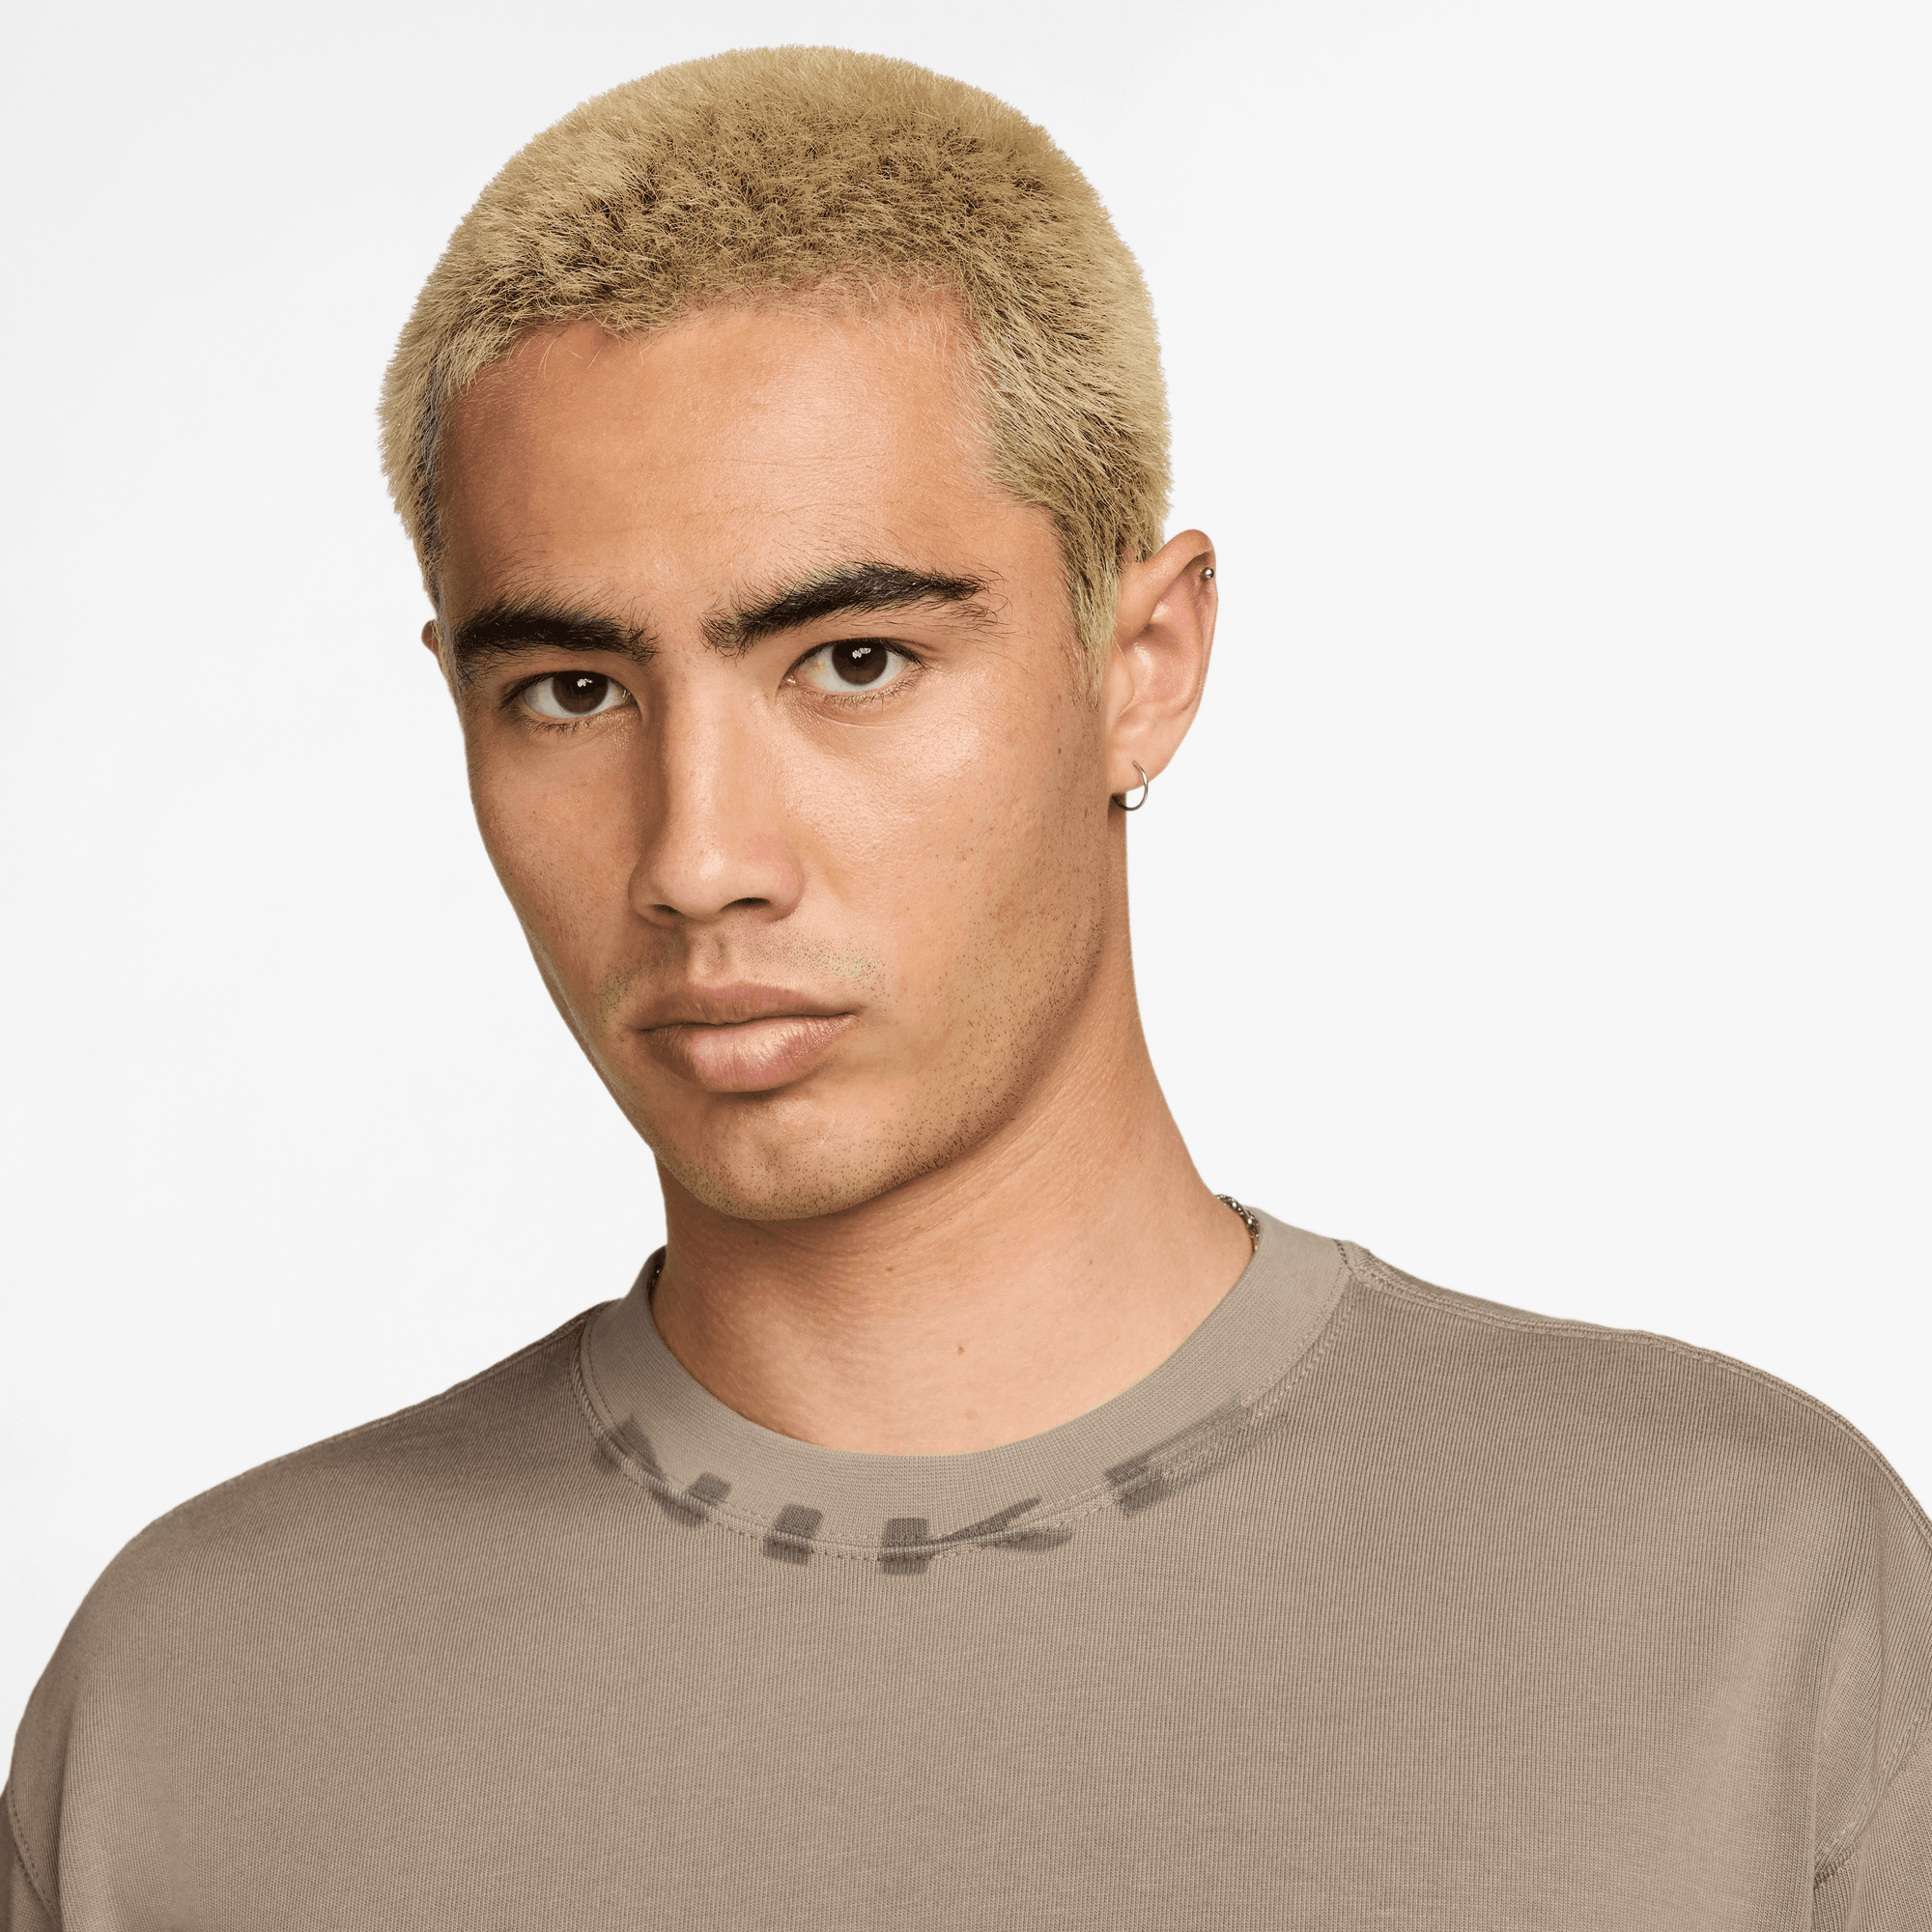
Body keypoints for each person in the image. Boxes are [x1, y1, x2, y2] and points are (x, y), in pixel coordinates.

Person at [6, 43, 1928, 1930]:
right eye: (572, 692)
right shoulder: (198, 1709)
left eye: (852, 662)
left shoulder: (1752, 1603)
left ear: (1142, 663)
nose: (697, 854)